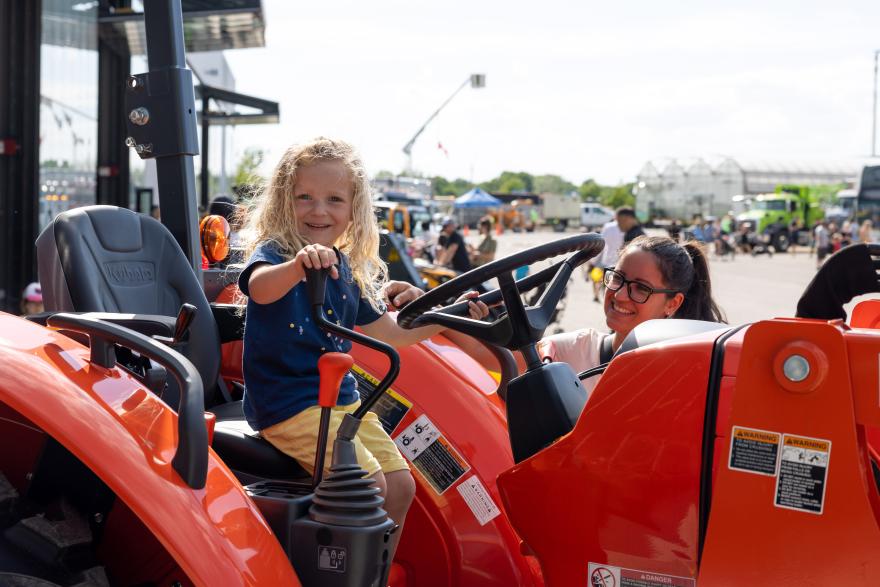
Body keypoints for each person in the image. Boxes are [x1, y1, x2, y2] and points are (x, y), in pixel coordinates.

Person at [236, 137, 488, 562]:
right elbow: (259, 290)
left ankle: (374, 572)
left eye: (334, 199)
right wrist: (298, 266)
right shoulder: (277, 255)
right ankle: (337, 569)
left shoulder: (344, 269)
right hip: (287, 404)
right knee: (370, 485)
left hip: (341, 404)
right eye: (304, 197)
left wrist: (448, 316)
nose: (319, 210)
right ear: (283, 201)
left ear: (354, 209)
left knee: (402, 484)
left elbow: (389, 334)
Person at [534, 236, 725, 397]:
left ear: (672, 303)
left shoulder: (689, 378)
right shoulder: (577, 349)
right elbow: (509, 359)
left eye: (641, 288)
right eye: (617, 278)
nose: (619, 295)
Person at [586, 214, 624, 302]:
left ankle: (596, 295)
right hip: (619, 261)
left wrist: (593, 260)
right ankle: (610, 298)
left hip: (606, 260)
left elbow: (602, 244)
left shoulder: (608, 227)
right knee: (612, 282)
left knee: (596, 278)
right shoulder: (626, 229)